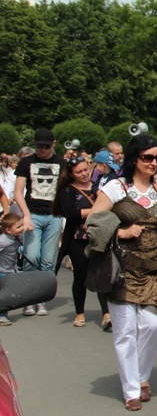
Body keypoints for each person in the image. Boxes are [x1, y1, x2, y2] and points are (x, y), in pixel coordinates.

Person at [89, 134, 157, 411]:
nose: (153, 162)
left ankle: (141, 375)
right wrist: (121, 231)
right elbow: (93, 222)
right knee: (126, 331)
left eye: (156, 157)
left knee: (152, 325)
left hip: (152, 265)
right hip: (122, 266)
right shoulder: (116, 187)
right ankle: (131, 389)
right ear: (134, 159)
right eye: (147, 157)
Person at [14, 128, 67, 317]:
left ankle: (41, 300)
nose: (42, 150)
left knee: (47, 261)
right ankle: (29, 299)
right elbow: (18, 191)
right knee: (31, 256)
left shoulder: (61, 163)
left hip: (54, 216)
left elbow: (66, 190)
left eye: (45, 146)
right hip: (33, 213)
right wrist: (25, 215)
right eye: (38, 146)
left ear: (53, 144)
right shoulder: (26, 162)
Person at [53, 156, 110, 329]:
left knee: (102, 276)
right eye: (79, 172)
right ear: (71, 174)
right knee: (81, 276)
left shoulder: (98, 188)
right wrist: (96, 209)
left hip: (100, 237)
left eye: (86, 169)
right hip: (78, 240)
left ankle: (106, 313)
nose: (84, 174)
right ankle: (80, 313)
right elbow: (71, 213)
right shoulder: (67, 191)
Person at [0, 213, 25, 326]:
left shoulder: (15, 238)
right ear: (8, 230)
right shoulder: (3, 241)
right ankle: (2, 316)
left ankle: (3, 315)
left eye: (22, 225)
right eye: (19, 227)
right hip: (2, 272)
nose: (22, 228)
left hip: (10, 271)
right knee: (4, 295)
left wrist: (21, 249)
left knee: (7, 295)